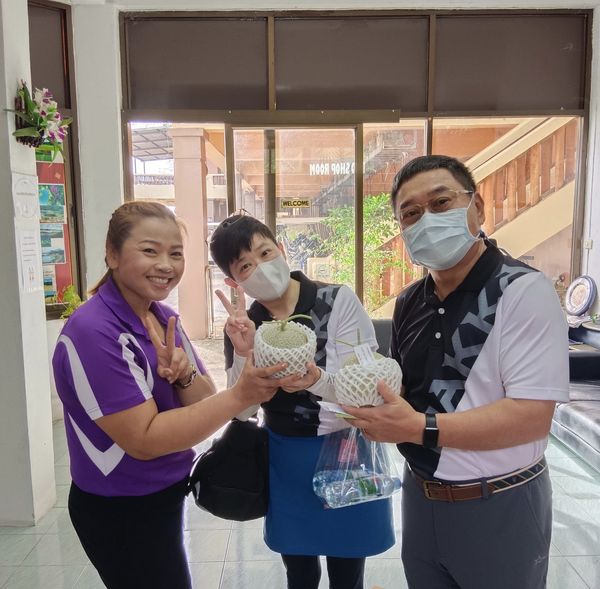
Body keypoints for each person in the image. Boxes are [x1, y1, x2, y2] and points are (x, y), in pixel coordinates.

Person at [344, 155, 569, 589]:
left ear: (478, 208)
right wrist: (317, 383)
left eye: (441, 202)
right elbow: (401, 392)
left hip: (500, 499)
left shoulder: (522, 291)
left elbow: (531, 417)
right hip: (421, 496)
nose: (426, 219)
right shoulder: (409, 301)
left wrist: (418, 428)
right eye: (410, 213)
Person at [52, 201, 289, 589]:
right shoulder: (93, 333)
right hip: (120, 506)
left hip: (161, 494)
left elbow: (201, 399)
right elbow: (144, 440)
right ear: (112, 255)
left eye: (175, 254)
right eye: (150, 251)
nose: (166, 265)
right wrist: (240, 394)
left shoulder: (161, 317)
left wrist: (182, 376)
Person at [209, 213, 395, 589]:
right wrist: (245, 355)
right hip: (286, 456)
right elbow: (242, 411)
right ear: (234, 281)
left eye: (265, 252)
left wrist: (317, 381)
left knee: (347, 570)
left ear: (280, 248)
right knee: (300, 571)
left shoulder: (336, 300)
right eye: (246, 266)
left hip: (346, 451)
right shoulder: (246, 324)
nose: (261, 267)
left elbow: (366, 389)